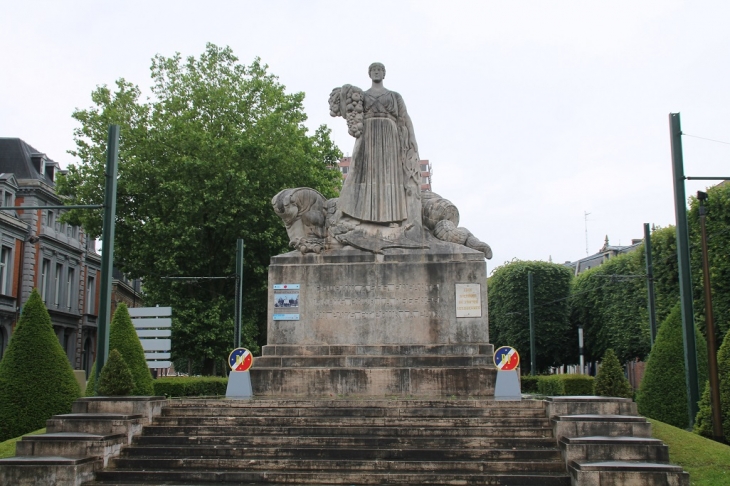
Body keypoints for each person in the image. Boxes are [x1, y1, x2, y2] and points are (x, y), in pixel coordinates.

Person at [336, 63, 421, 227]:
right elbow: (348, 113)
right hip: (367, 135)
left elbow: (404, 118)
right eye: (373, 70)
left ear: (384, 74)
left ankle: (392, 217)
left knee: (390, 177)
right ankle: (358, 214)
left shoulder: (395, 96)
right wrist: (344, 93)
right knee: (363, 175)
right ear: (369, 74)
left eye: (379, 70)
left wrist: (412, 138)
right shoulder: (361, 95)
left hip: (390, 136)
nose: (376, 72)